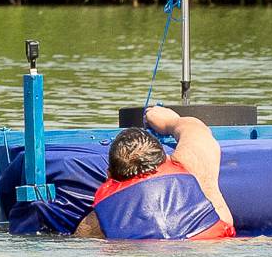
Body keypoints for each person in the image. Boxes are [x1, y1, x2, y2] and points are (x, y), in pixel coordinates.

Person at [73, 103, 236, 241]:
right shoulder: (189, 164)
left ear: (109, 175)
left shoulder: (97, 220)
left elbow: (81, 241)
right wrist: (170, 121)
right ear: (165, 158)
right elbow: (195, 128)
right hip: (217, 248)